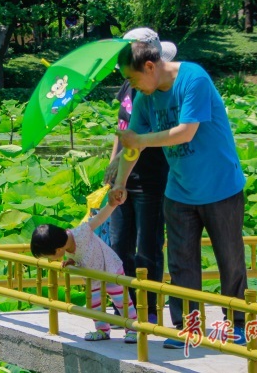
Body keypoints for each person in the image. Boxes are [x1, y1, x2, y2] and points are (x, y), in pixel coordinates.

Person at [111, 28, 248, 349]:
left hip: (221, 187)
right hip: (180, 191)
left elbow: (185, 132)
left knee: (230, 260)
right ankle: (189, 327)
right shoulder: (144, 99)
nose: (130, 87)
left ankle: (238, 323)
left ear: (150, 67)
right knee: (182, 263)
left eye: (132, 79)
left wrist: (141, 140)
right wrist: (119, 183)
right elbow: (132, 146)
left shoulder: (193, 79)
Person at [102, 28, 172, 326]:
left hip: (152, 178)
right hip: (124, 178)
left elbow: (143, 135)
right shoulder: (128, 86)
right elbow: (122, 130)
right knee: (119, 244)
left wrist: (123, 156)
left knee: (148, 247)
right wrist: (113, 166)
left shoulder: (158, 91)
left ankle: (150, 309)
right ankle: (125, 307)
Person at [31, 188, 139, 344]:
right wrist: (72, 261)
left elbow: (99, 219)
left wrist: (111, 204)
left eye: (49, 256)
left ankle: (133, 330)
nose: (50, 260)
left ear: (58, 249)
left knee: (122, 301)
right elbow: (81, 254)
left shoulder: (81, 232)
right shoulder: (65, 247)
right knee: (94, 303)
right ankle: (102, 330)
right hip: (93, 276)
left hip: (110, 268)